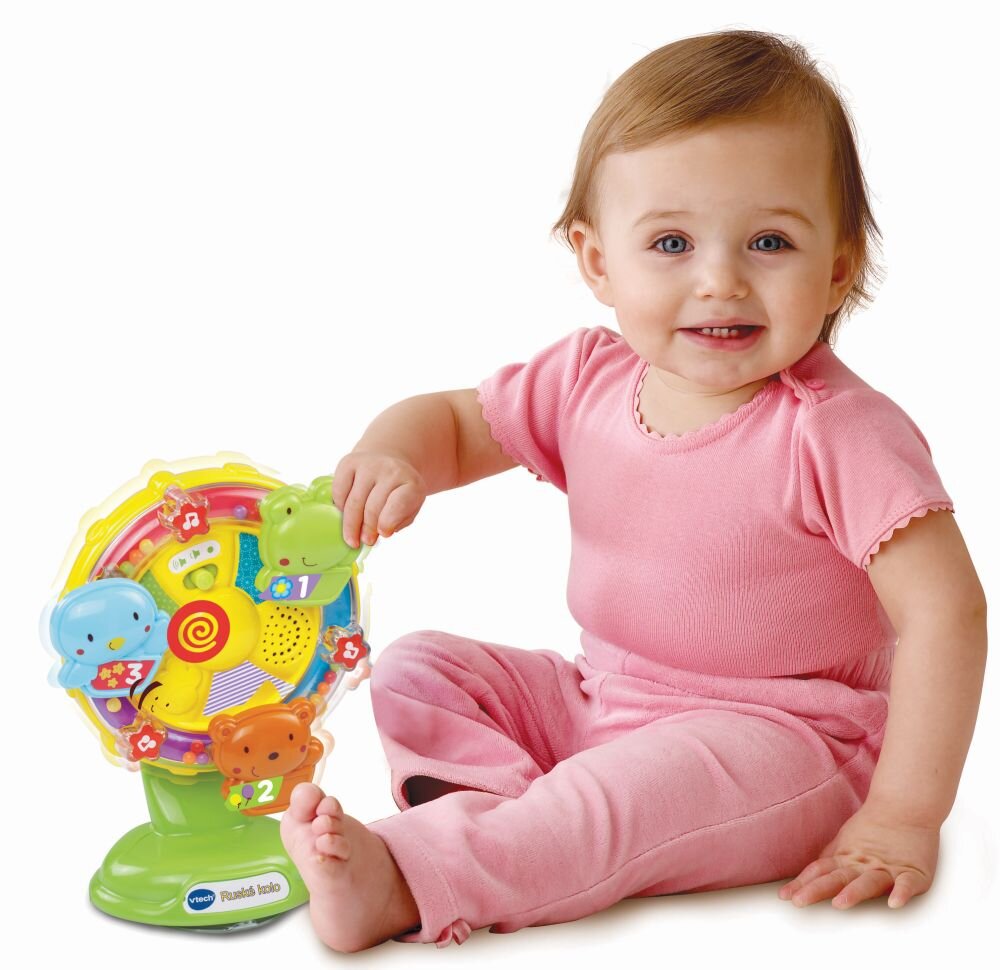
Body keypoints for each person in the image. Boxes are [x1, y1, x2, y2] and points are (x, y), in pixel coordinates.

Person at [280, 28, 988, 951]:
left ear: (838, 267)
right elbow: (452, 423)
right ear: (598, 261)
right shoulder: (587, 381)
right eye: (672, 242)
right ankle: (513, 826)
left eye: (770, 241)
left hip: (781, 742)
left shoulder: (838, 432)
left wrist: (903, 813)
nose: (721, 280)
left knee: (621, 799)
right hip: (600, 699)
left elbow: (947, 613)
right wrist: (392, 456)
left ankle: (411, 881)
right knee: (421, 669)